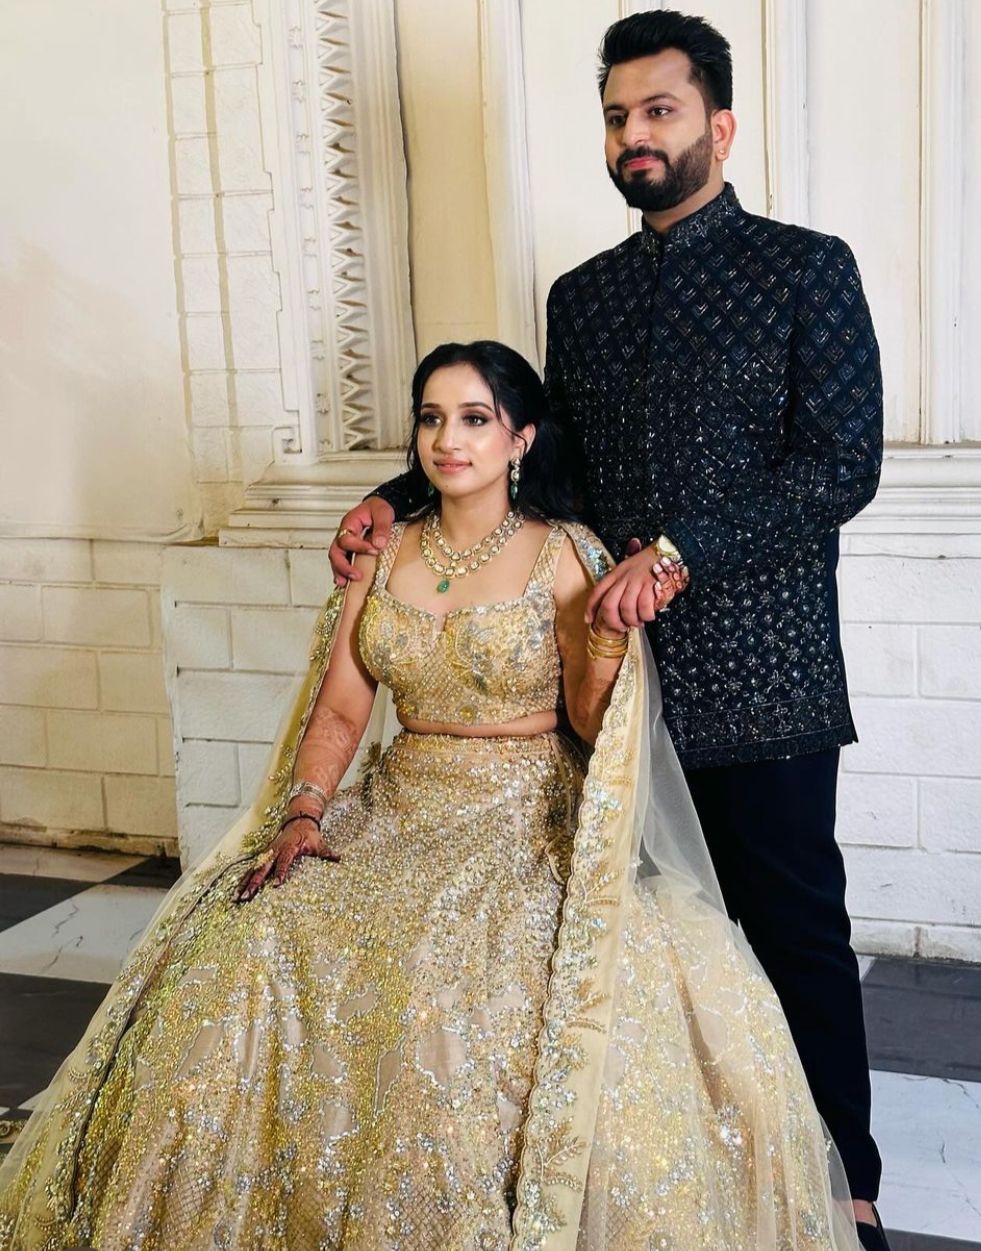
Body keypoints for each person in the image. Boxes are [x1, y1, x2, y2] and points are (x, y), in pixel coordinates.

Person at [1, 341, 861, 1251]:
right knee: (250, 928)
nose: (449, 439)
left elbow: (587, 717)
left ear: (519, 439)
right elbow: (341, 705)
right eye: (431, 417)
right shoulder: (382, 551)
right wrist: (302, 811)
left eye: (474, 418)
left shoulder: (563, 552)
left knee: (453, 973)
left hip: (523, 804)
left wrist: (608, 641)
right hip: (400, 795)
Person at [329, 12, 888, 1251]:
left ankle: (843, 1181)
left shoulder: (807, 267)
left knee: (790, 925)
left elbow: (840, 466)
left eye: (660, 111)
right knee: (638, 946)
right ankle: (679, 1180)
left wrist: (680, 553)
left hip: (761, 671)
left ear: (719, 125)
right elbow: (550, 461)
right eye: (618, 115)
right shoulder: (582, 298)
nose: (635, 135)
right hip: (600, 676)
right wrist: (401, 497)